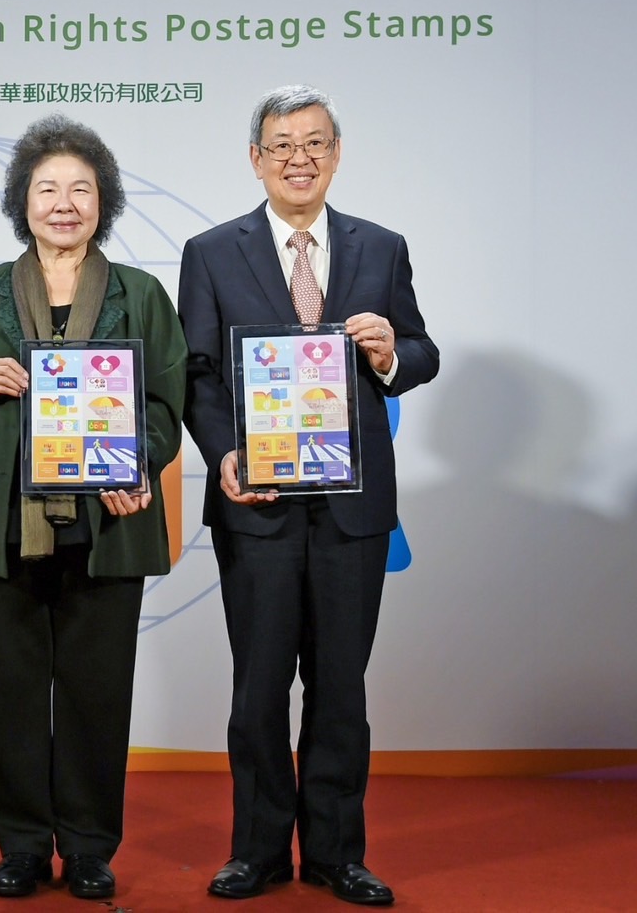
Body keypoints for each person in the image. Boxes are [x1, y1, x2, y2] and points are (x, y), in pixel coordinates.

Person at [178, 86, 438, 906]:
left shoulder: (381, 247)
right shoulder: (210, 252)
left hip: (351, 508)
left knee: (340, 690)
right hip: (257, 505)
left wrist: (391, 353)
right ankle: (257, 851)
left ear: (336, 154)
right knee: (258, 688)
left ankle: (335, 853)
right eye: (282, 145)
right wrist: (223, 453)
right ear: (256, 159)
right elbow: (197, 374)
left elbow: (422, 349)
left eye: (315, 143)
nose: (300, 158)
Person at [0, 114, 185, 901]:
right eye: (47, 189)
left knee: (97, 691)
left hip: (107, 520)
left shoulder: (140, 293)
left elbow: (167, 405)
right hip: (5, 520)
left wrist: (138, 459)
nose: (63, 204)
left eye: (81, 190)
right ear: (21, 201)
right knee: (11, 691)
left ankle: (88, 846)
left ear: (103, 202)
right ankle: (22, 844)